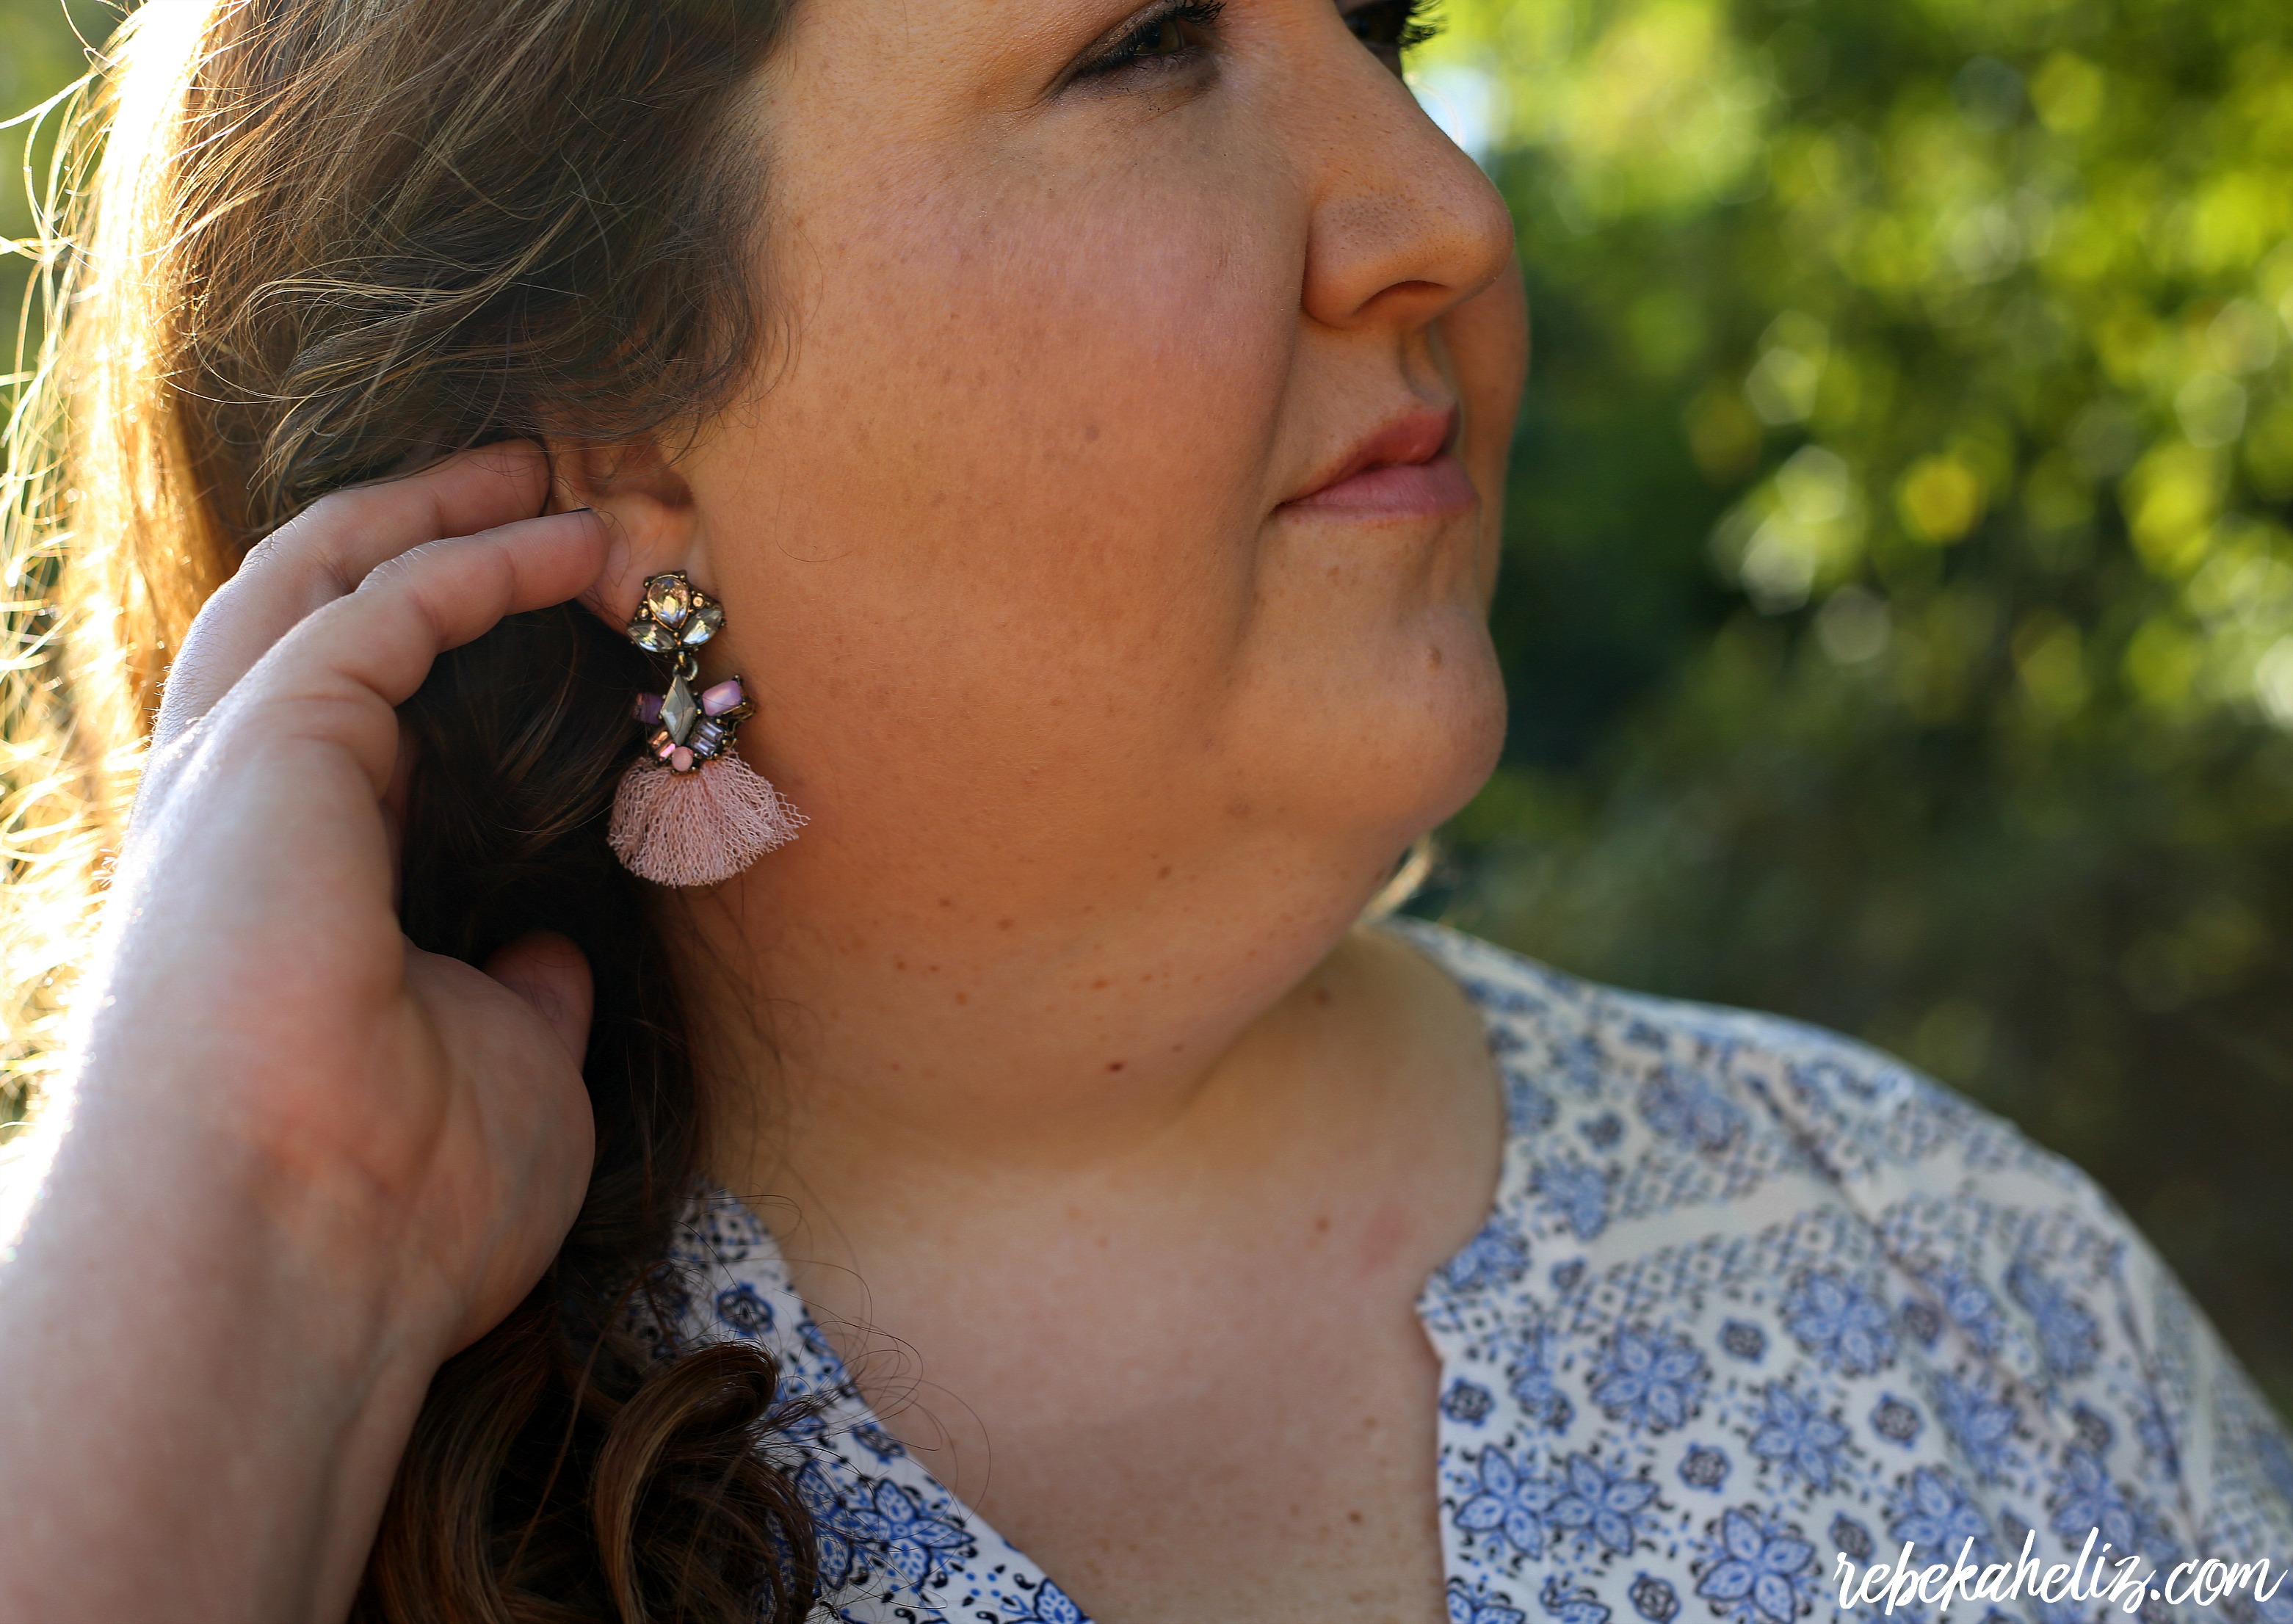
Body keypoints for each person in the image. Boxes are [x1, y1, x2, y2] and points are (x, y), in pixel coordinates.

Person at [0, 1, 2285, 1622]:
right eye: (1147, 43)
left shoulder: (1956, 1282)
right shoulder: (228, 1387)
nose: (1440, 209)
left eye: (1382, 23)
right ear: (610, 432)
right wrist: (259, 1246)